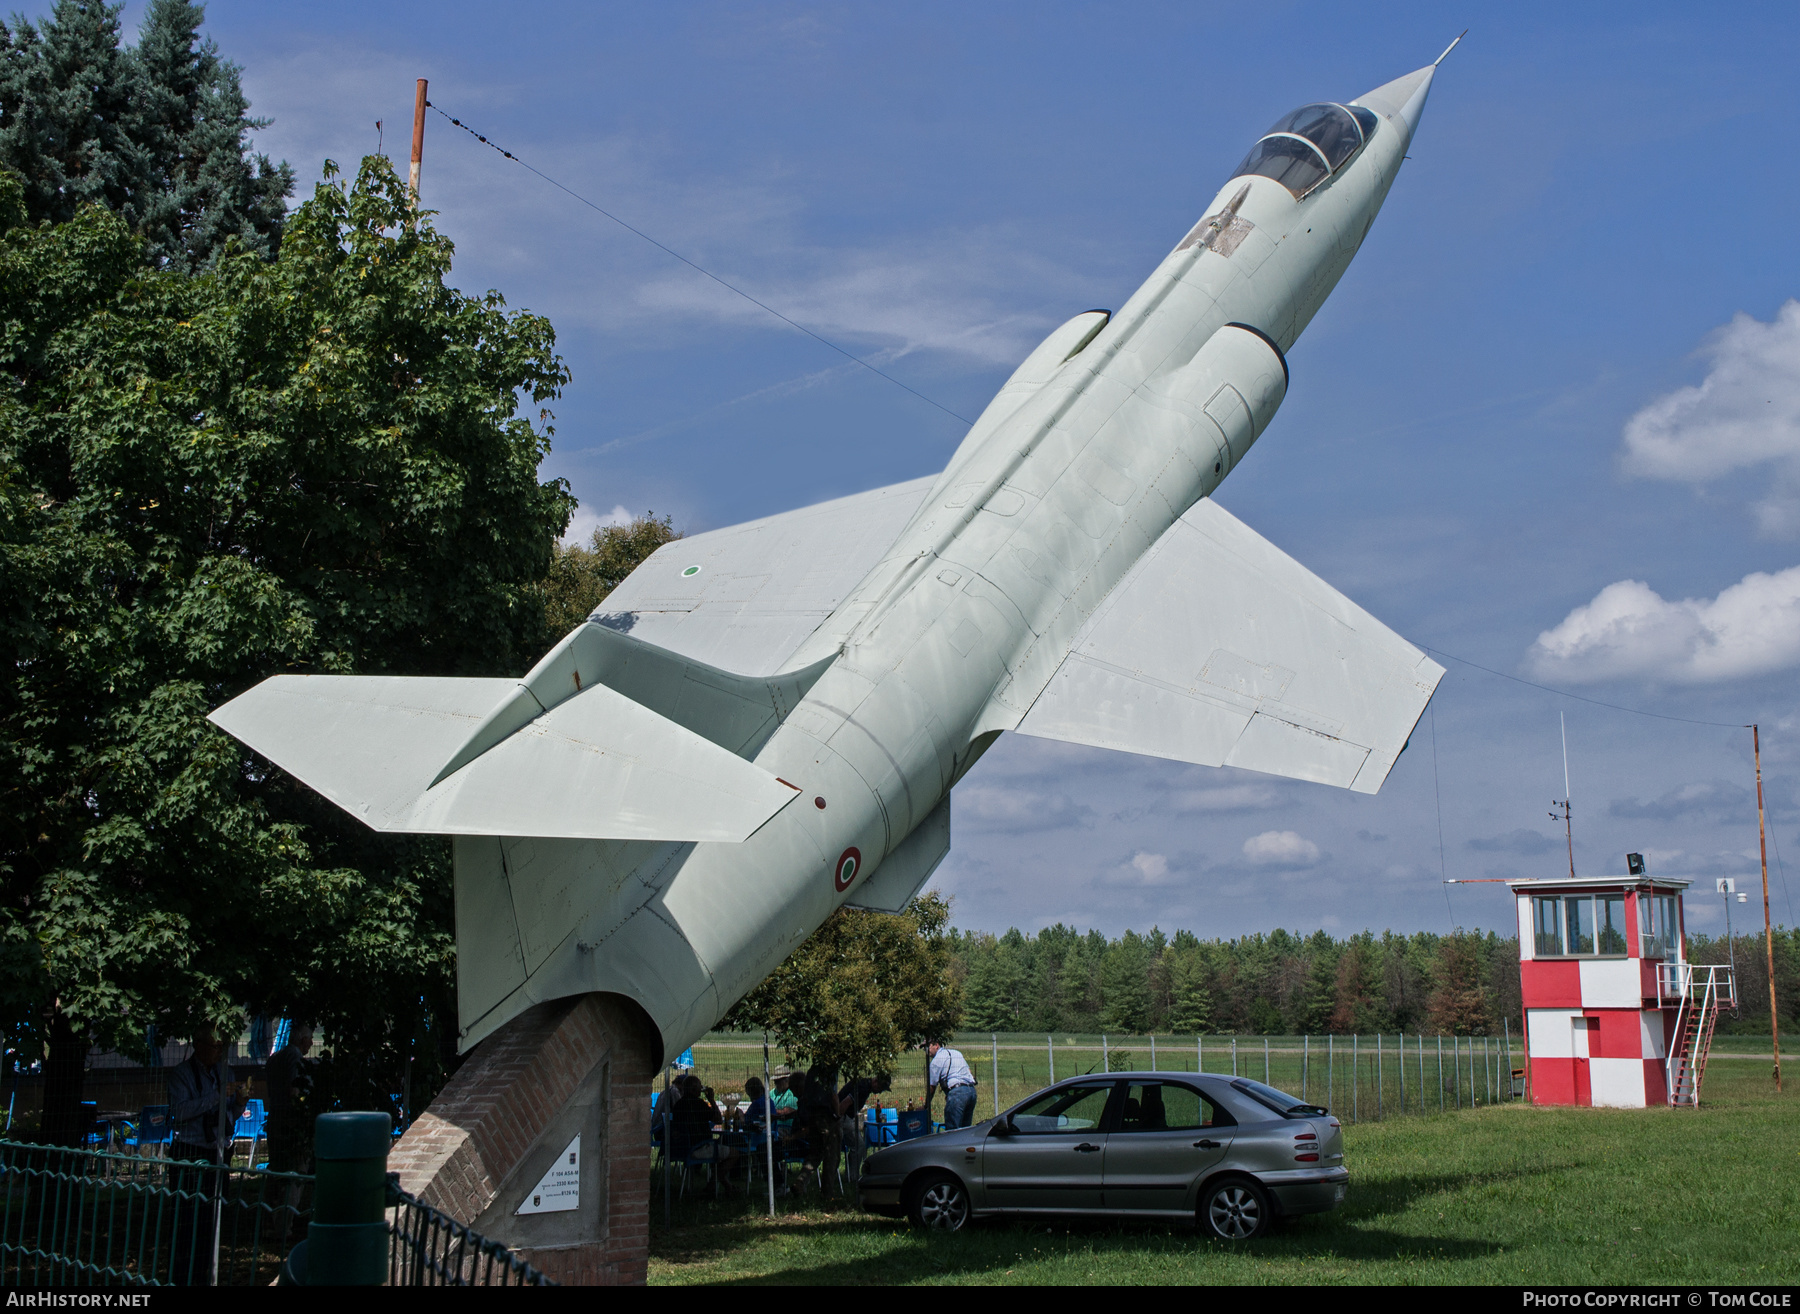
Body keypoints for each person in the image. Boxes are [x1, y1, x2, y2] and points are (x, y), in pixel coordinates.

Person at [165, 1027, 247, 1284]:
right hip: (190, 1152)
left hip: (218, 1152)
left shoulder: (226, 1073)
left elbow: (229, 1112)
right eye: (214, 1047)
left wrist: (240, 1101)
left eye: (222, 1047)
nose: (219, 1052)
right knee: (187, 1219)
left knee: (213, 1218)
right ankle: (182, 1276)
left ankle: (206, 1274)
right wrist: (216, 1097)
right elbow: (179, 1112)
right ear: (198, 1045)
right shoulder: (181, 1075)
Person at [836, 1071, 892, 1194]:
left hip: (845, 1118)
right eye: (881, 1088)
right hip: (842, 1118)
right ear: (876, 1082)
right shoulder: (862, 1087)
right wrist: (838, 1119)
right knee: (859, 1145)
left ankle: (850, 1175)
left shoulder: (863, 1085)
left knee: (857, 1145)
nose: (880, 1091)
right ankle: (853, 1177)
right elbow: (845, 1103)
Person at [925, 1040, 977, 1130]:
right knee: (965, 1130)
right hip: (971, 1092)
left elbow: (932, 1087)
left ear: (936, 1045)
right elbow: (969, 1072)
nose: (926, 1050)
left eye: (928, 1047)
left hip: (957, 1093)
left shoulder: (936, 1061)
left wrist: (925, 1106)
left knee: (952, 1131)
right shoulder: (956, 1053)